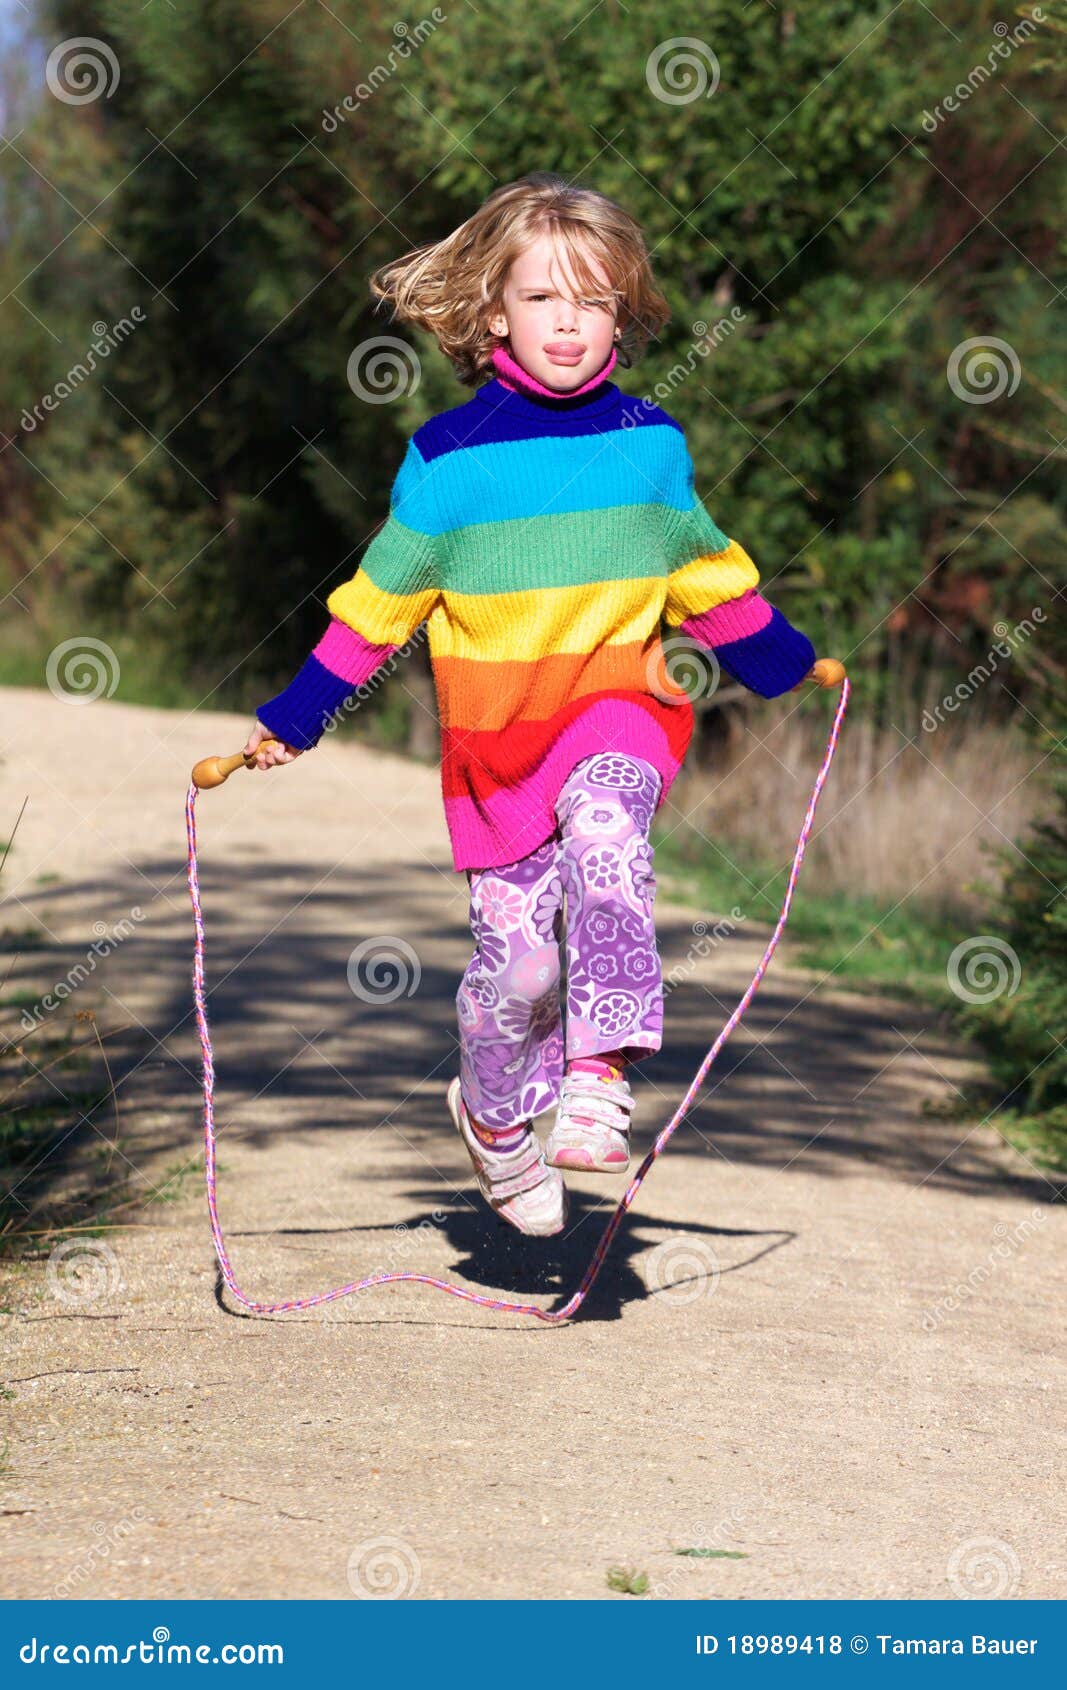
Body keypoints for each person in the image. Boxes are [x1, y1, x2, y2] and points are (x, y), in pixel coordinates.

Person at [245, 172, 825, 1240]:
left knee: (609, 835)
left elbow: (700, 572)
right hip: (495, 752)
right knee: (518, 970)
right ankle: (494, 1118)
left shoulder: (649, 446)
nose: (568, 323)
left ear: (622, 314)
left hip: (616, 712)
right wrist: (299, 711)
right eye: (545, 298)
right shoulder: (448, 462)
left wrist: (787, 662)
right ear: (493, 312)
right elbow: (377, 607)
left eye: (593, 300)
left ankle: (601, 1070)